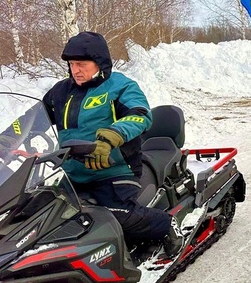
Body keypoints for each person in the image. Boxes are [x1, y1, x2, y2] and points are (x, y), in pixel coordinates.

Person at [41, 31, 183, 258]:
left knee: (114, 216)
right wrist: (11, 140)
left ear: (99, 63)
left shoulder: (120, 86)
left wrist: (111, 136)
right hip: (71, 174)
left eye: (81, 64)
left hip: (115, 170)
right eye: (71, 64)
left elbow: (140, 115)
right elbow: (36, 119)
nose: (75, 70)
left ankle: (167, 225)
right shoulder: (60, 91)